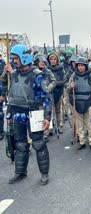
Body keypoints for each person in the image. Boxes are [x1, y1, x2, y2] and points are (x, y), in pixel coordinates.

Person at [1, 44, 52, 185]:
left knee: (39, 144)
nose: (14, 61)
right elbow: (11, 97)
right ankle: (20, 172)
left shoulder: (37, 76)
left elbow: (47, 98)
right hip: (17, 114)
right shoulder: (14, 75)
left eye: (16, 58)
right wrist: (9, 117)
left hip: (33, 114)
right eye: (13, 58)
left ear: (24, 58)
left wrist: (47, 117)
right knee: (20, 145)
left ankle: (44, 174)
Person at [67, 57, 91, 151]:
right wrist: (70, 86)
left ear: (85, 66)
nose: (80, 67)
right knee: (79, 125)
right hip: (77, 102)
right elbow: (68, 89)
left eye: (82, 65)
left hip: (88, 102)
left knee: (89, 124)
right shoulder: (73, 76)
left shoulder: (90, 76)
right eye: (79, 65)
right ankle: (82, 141)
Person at [33, 54, 57, 143]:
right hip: (36, 97)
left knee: (46, 114)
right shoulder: (33, 72)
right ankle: (39, 133)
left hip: (46, 96)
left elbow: (54, 81)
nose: (42, 63)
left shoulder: (48, 71)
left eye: (43, 61)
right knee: (37, 115)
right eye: (40, 61)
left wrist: (48, 88)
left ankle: (45, 134)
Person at [47, 51, 65, 134]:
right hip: (50, 93)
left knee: (58, 111)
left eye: (54, 59)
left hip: (58, 92)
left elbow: (64, 81)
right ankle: (50, 128)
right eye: (51, 59)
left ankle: (59, 126)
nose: (53, 61)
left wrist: (55, 83)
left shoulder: (60, 69)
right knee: (49, 111)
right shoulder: (47, 70)